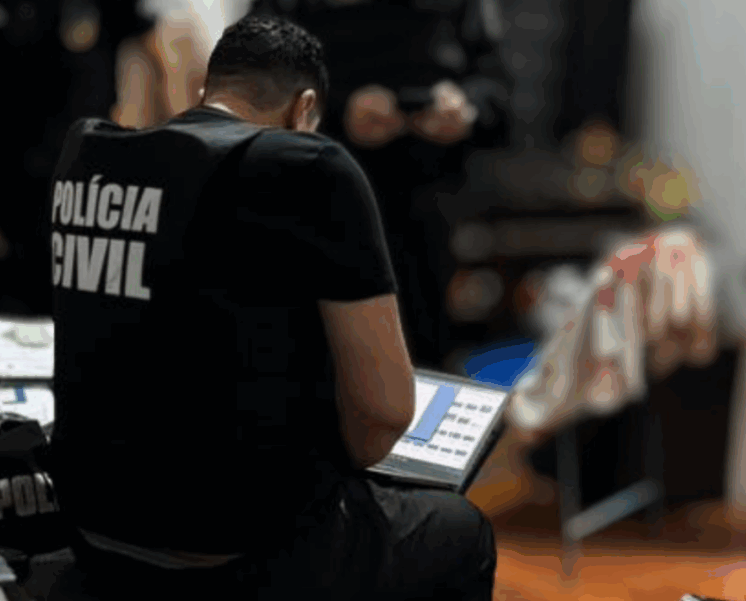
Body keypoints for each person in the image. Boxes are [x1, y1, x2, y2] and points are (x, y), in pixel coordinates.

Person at [45, 14, 496, 600]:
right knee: (463, 530)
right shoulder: (310, 167)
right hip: (241, 549)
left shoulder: (90, 153)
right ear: (305, 109)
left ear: (206, 90)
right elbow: (382, 418)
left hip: (93, 526)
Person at [245, 0, 513, 371]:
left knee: (421, 366)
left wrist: (468, 109)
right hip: (313, 216)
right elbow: (249, 85)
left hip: (425, 224)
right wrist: (335, 112)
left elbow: (498, 91)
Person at [0, 0, 162, 318]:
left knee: (98, 328)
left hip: (92, 204)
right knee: (2, 334)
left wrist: (140, 163)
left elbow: (153, 61)